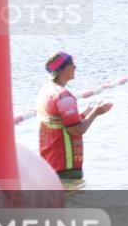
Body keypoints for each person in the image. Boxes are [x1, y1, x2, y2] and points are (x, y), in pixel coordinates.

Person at [37, 51, 112, 180]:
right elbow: (77, 130)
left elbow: (59, 122)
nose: (75, 67)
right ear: (61, 69)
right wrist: (96, 112)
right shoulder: (63, 96)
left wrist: (84, 114)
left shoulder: (45, 91)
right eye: (72, 64)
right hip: (66, 167)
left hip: (49, 164)